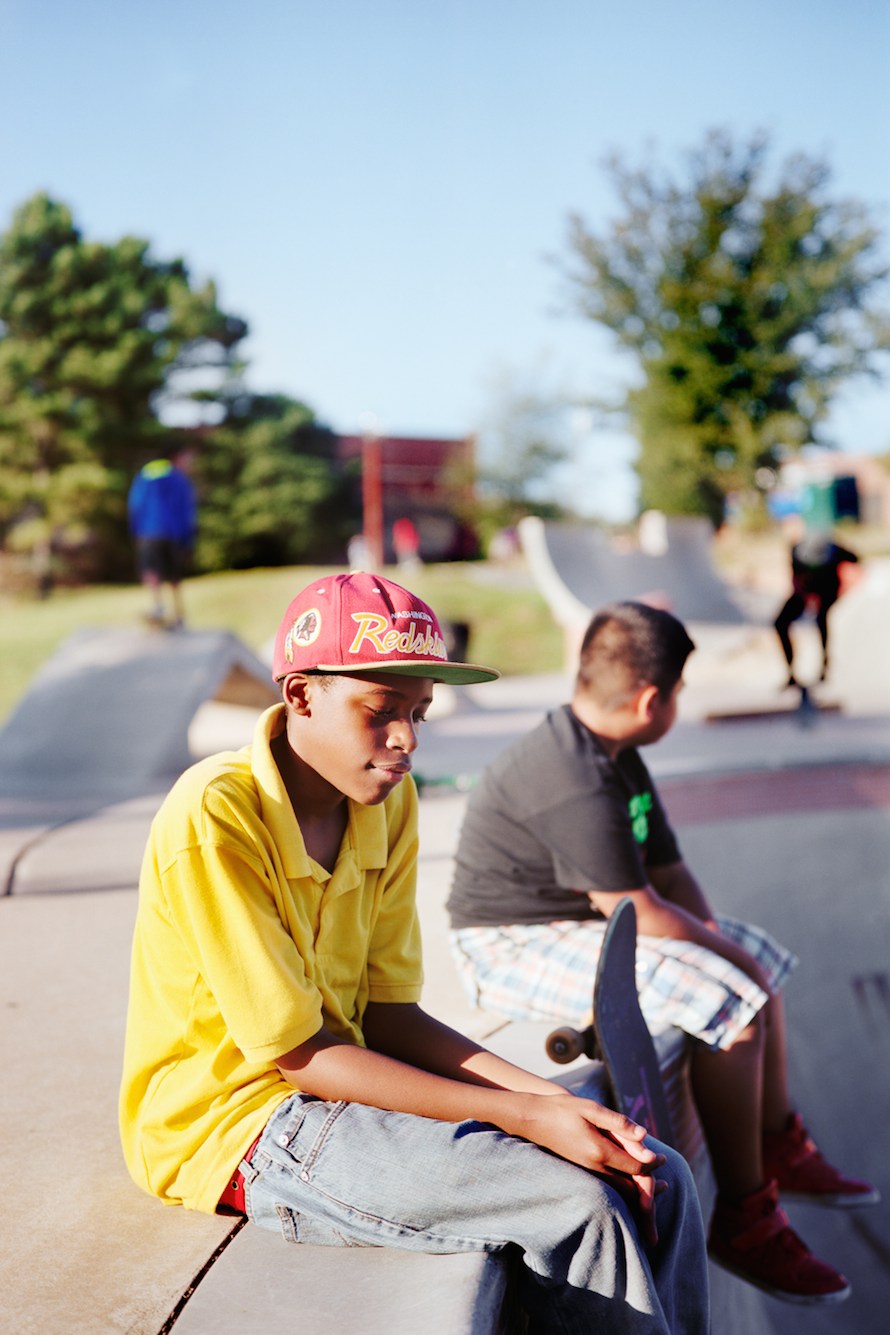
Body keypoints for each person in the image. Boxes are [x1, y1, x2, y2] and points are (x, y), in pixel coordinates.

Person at [119, 573, 709, 1334]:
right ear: (300, 696)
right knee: (577, 1208)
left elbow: (389, 1014)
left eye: (419, 712)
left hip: (341, 1085)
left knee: (662, 1171)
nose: (406, 739)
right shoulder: (217, 813)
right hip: (241, 1123)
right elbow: (301, 1055)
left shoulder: (388, 803)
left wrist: (558, 1105)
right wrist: (522, 1115)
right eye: (380, 712)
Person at [447, 600, 879, 1307]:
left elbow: (670, 875)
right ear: (653, 699)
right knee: (730, 1001)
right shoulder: (570, 771)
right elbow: (639, 906)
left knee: (758, 957)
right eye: (679, 691)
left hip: (590, 920)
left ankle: (777, 1139)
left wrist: (729, 948)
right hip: (511, 941)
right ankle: (746, 1214)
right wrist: (729, 967)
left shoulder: (619, 758)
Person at [774, 528, 859, 686]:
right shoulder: (797, 553)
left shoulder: (835, 551)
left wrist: (846, 588)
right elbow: (795, 580)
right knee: (780, 623)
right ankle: (791, 672)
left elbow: (856, 562)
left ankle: (824, 665)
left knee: (821, 619)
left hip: (827, 590)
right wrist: (804, 596)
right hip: (804, 591)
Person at [127, 442, 197, 628]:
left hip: (148, 531)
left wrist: (135, 530)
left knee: (151, 570)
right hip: (173, 532)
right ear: (176, 457)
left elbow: (135, 503)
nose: (189, 463)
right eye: (187, 459)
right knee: (174, 574)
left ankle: (157, 607)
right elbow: (186, 510)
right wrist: (188, 539)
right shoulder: (180, 478)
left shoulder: (147, 473)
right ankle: (179, 613)